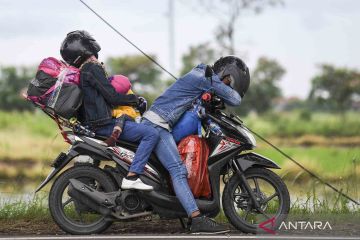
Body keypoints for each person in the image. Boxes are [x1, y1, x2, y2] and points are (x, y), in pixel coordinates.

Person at [142, 56, 250, 233]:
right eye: (228, 82)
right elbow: (235, 100)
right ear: (227, 75)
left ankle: (188, 207)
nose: (227, 85)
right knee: (178, 170)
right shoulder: (204, 77)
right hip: (157, 126)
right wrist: (223, 88)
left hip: (160, 125)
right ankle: (196, 219)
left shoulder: (201, 76)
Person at [60, 30, 158, 191]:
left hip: (93, 124)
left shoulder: (84, 70)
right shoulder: (92, 68)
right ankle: (132, 177)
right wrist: (135, 100)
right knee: (151, 133)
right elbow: (112, 97)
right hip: (103, 124)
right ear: (86, 47)